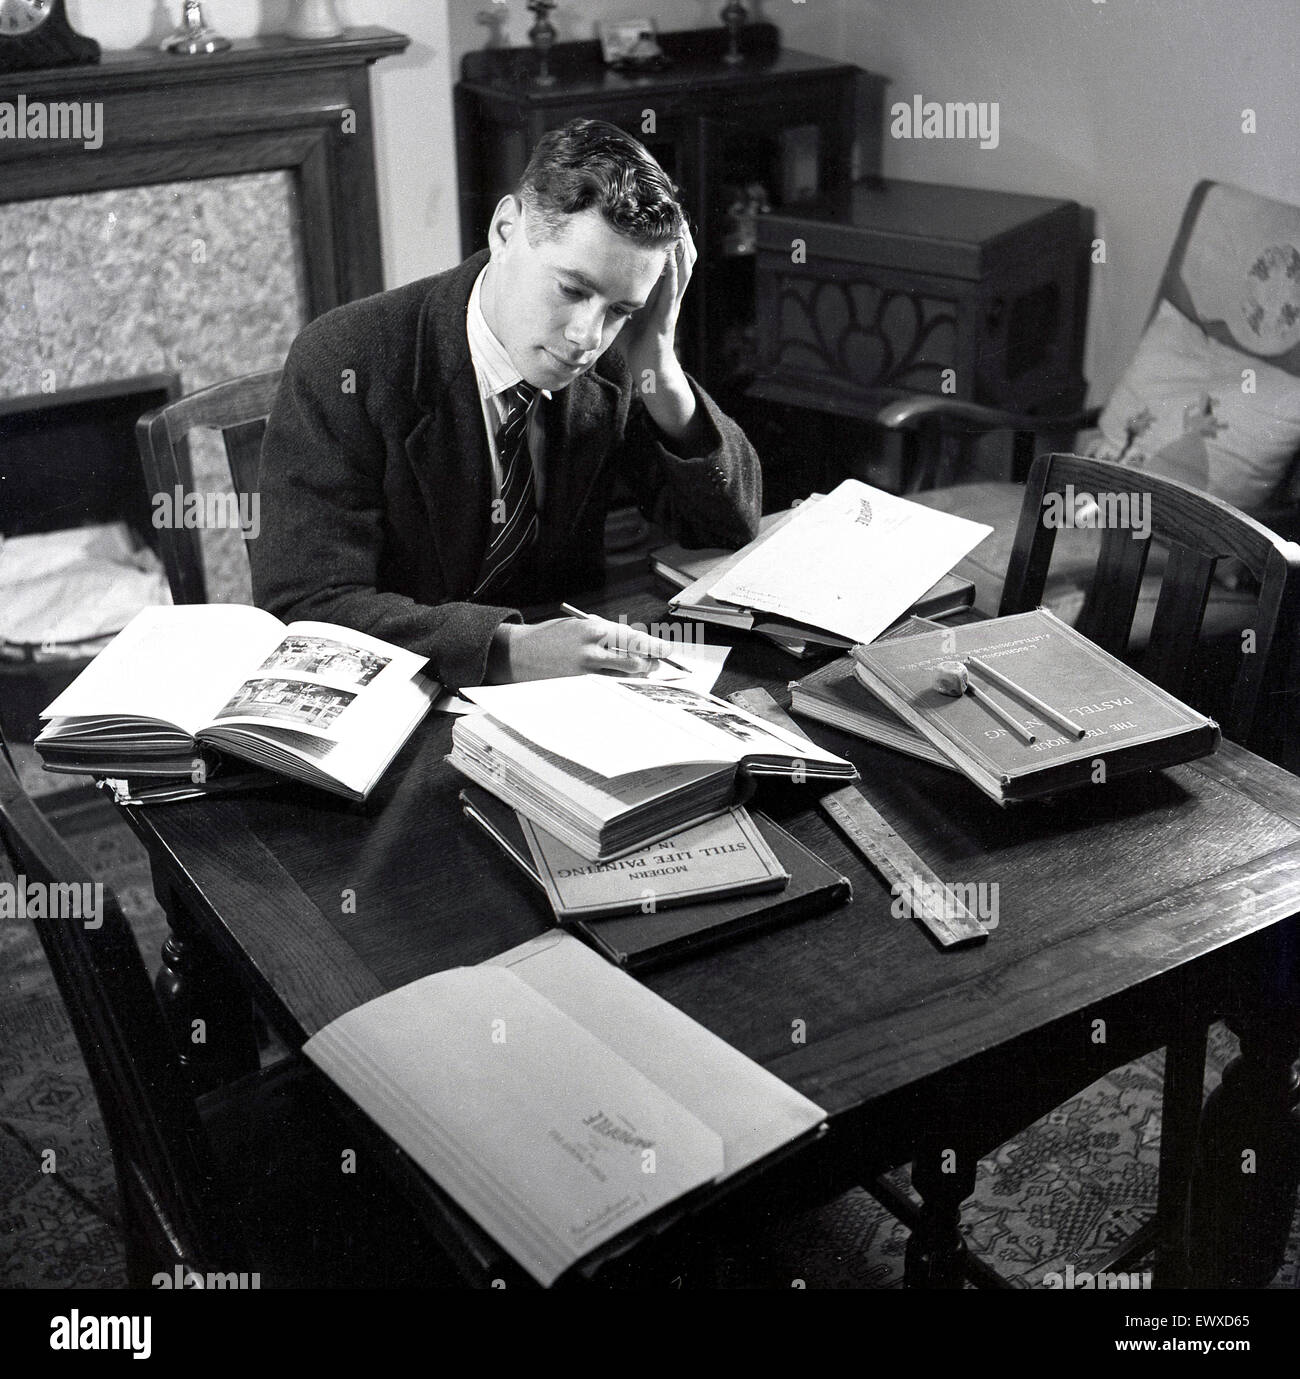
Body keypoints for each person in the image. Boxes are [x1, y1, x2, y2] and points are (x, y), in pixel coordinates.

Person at [251, 118, 762, 687]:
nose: (585, 337)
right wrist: (505, 649)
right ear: (505, 229)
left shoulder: (620, 361)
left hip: (567, 698)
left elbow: (727, 526)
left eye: (620, 310)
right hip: (403, 700)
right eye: (571, 290)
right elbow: (307, 607)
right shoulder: (345, 359)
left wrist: (661, 368)